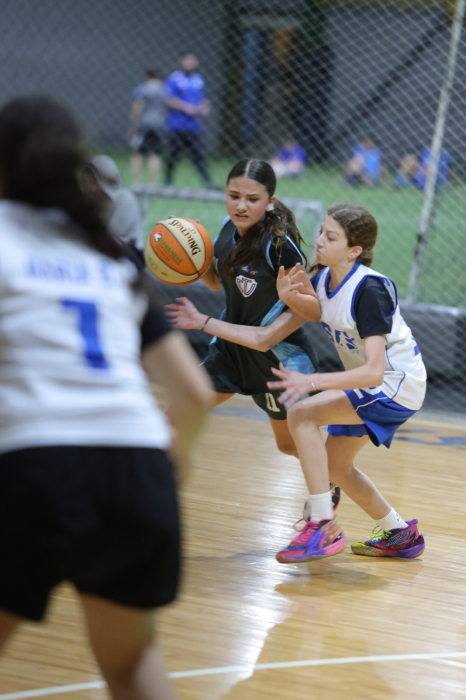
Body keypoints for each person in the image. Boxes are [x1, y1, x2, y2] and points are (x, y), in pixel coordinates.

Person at [0, 96, 213, 700]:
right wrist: (177, 458)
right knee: (131, 665)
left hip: (35, 465)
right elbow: (194, 395)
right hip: (138, 472)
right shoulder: (108, 259)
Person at [266, 204, 427, 562]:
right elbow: (317, 311)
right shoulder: (324, 279)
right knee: (335, 466)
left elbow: (373, 372)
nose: (319, 241)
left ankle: (321, 524)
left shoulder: (369, 289)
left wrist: (311, 380)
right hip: (375, 384)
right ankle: (400, 534)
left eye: (331, 237)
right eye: (321, 232)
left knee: (302, 415)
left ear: (354, 250)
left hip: (395, 385)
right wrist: (290, 297)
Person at [165, 158, 320, 460]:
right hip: (232, 351)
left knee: (289, 445)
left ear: (270, 202)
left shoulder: (279, 247)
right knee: (173, 418)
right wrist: (190, 252)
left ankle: (331, 478)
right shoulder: (227, 230)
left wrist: (202, 321)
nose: (241, 206)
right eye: (234, 196)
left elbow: (312, 310)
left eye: (252, 199)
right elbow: (216, 283)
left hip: (277, 360)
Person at [81, 154, 146, 262]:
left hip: (127, 254)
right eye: (86, 182)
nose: (89, 188)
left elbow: (113, 234)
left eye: (93, 182)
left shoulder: (125, 198)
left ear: (103, 181)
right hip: (99, 252)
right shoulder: (90, 201)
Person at [164, 52, 214, 188]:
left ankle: (208, 183)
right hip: (177, 125)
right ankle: (167, 183)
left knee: (199, 155)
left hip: (193, 126)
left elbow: (203, 98)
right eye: (186, 61)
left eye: (192, 61)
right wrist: (186, 107)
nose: (189, 63)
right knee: (173, 155)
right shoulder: (174, 78)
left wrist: (205, 107)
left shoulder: (198, 79)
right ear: (181, 62)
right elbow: (168, 99)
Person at [128, 67, 166, 185]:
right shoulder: (164, 88)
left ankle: (136, 182)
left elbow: (138, 106)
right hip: (159, 124)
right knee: (155, 153)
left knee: (137, 152)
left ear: (146, 76)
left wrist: (133, 125)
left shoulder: (142, 88)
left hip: (143, 124)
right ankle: (153, 183)